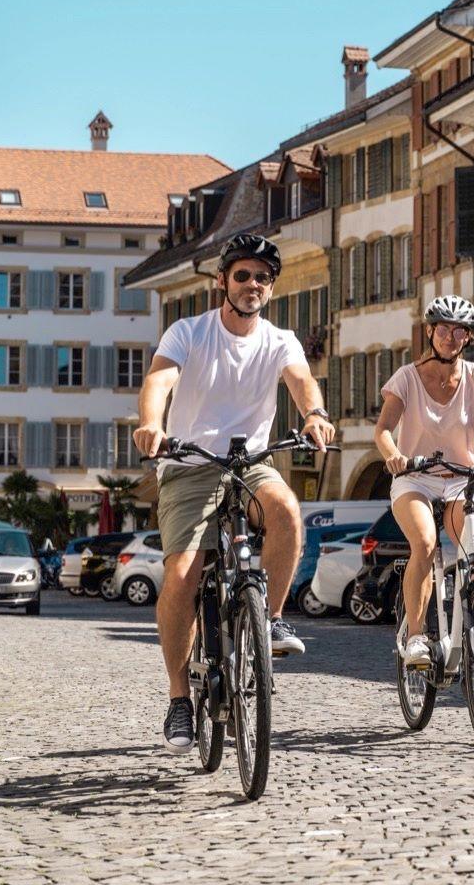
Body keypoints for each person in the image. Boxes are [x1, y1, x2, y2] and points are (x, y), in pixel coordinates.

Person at [133, 232, 335, 751]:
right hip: (191, 464)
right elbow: (159, 381)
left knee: (288, 511)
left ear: (270, 289)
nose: (252, 285)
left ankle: (269, 620)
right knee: (181, 574)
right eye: (242, 275)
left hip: (251, 462)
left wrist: (313, 414)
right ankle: (180, 698)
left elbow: (302, 382)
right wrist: (152, 424)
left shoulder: (280, 339)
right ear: (222, 281)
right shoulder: (189, 332)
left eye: (262, 279)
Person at [373, 295, 474, 668]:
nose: (451, 336)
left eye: (460, 330)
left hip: (463, 481)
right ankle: (416, 635)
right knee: (426, 544)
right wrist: (392, 456)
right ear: (430, 331)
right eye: (444, 328)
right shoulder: (406, 378)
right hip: (414, 478)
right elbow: (383, 429)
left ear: (468, 337)